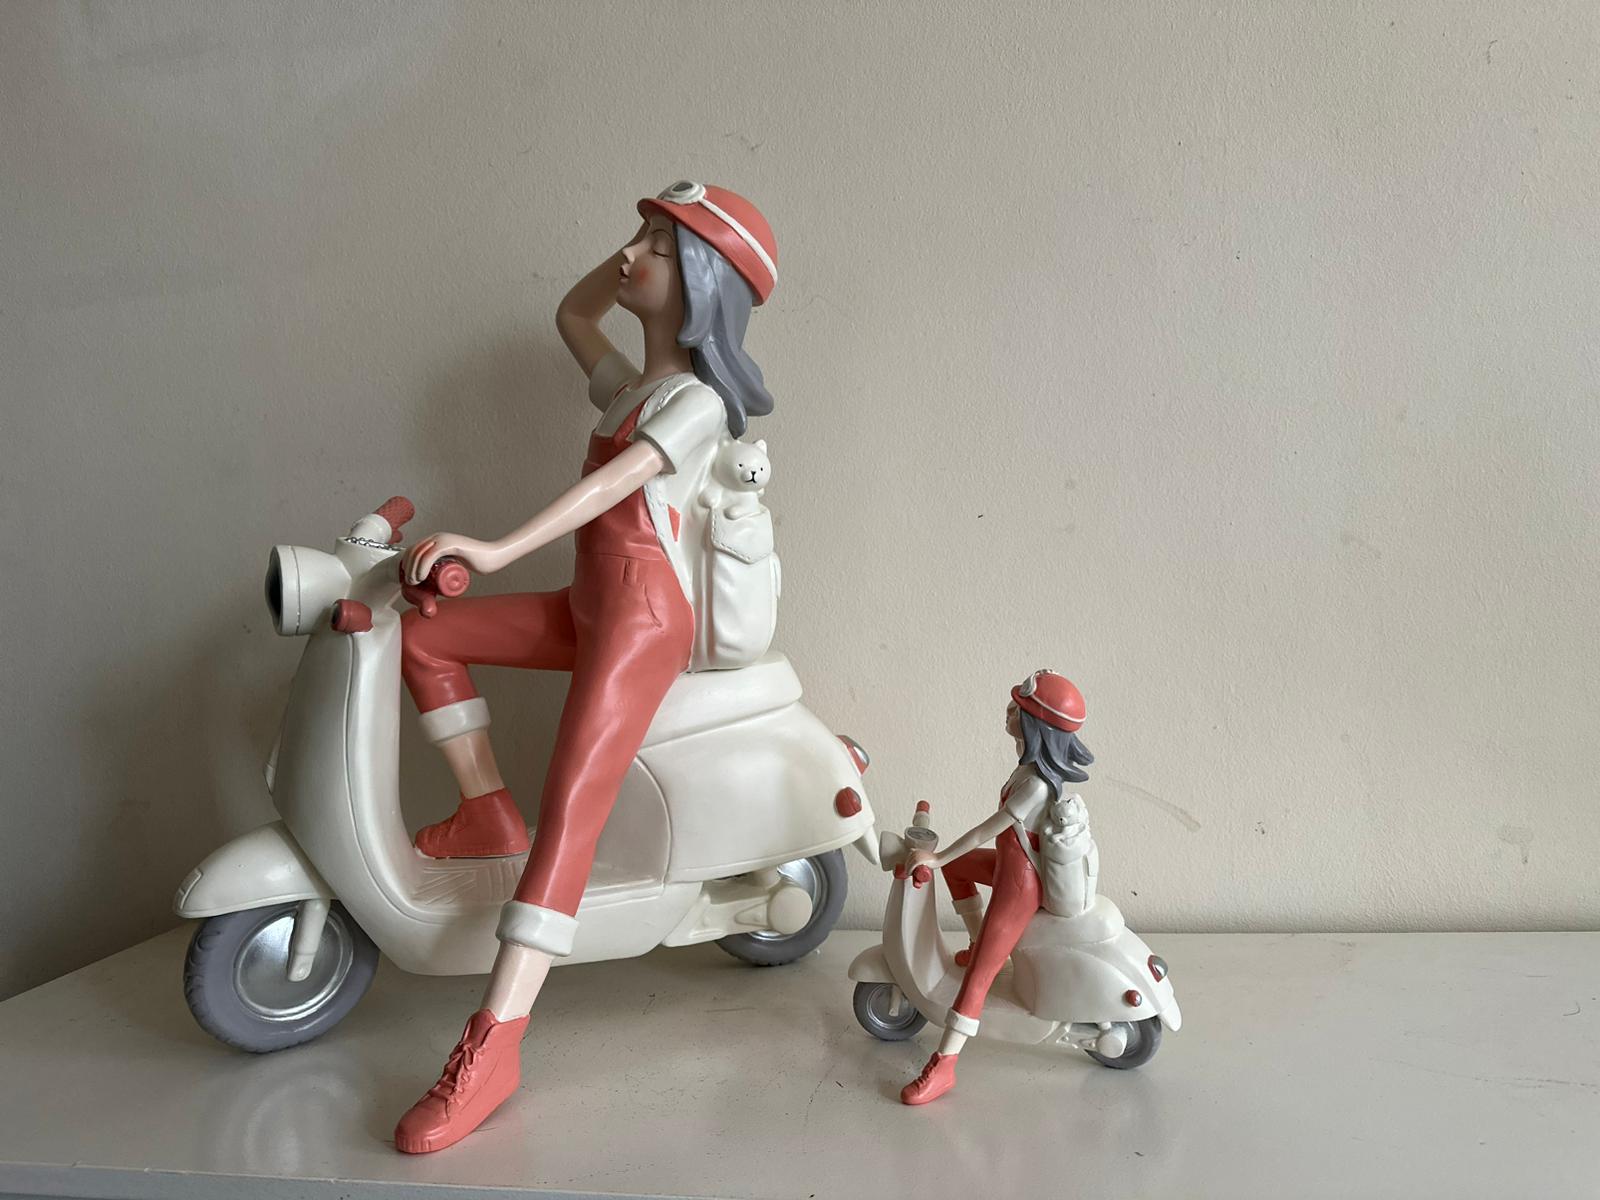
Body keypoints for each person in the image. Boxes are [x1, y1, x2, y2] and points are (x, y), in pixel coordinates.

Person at [391, 181, 779, 1154]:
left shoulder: (695, 404)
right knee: (426, 638)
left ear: (701, 285)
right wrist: (639, 248)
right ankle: (485, 811)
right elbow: (570, 314)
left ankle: (495, 1039)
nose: (632, 256)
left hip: (640, 619)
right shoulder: (633, 387)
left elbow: (614, 486)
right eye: (636, 236)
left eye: (660, 248)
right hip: (589, 603)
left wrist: (492, 548)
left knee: (570, 809)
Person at [900, 669, 1096, 1105]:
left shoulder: (1037, 785)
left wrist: (937, 857)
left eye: (1018, 709)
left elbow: (984, 831)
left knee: (979, 977)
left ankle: (945, 1063)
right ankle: (977, 940)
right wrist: (947, 862)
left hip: (1020, 885)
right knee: (959, 871)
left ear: (1037, 726)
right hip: (1010, 866)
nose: (1009, 712)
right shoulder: (1027, 768)